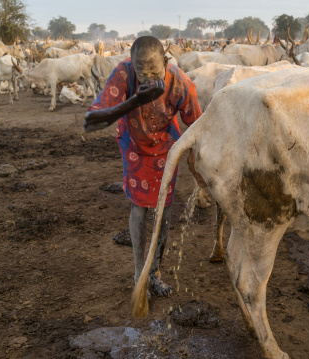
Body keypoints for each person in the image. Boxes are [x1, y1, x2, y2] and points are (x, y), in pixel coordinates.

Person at [83, 36, 202, 297]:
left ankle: (155, 272)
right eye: (142, 72)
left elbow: (198, 124)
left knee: (164, 211)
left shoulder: (180, 83)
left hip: (165, 147)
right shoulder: (123, 73)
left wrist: (195, 157)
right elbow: (91, 121)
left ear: (167, 61)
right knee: (139, 208)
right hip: (134, 145)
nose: (147, 78)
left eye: (155, 71)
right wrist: (134, 101)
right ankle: (139, 274)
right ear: (132, 64)